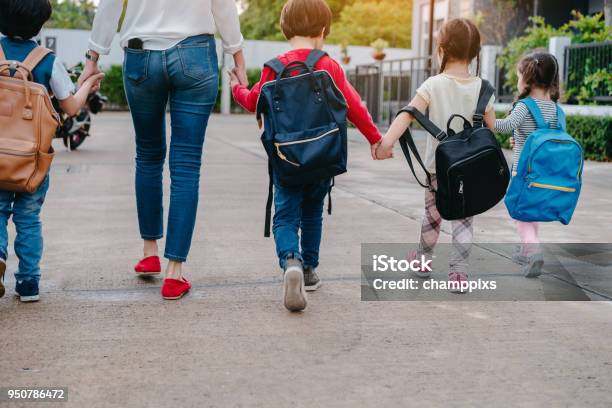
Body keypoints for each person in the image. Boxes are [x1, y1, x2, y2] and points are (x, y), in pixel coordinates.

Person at [79, 0, 246, 300]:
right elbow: (223, 5)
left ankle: (149, 252)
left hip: (141, 54)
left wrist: (93, 58)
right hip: (195, 54)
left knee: (148, 155)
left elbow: (110, 6)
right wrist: (237, 56)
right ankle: (174, 272)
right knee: (186, 164)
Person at [230, 0, 382, 311]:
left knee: (285, 216)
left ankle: (291, 262)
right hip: (323, 158)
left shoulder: (274, 67)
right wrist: (376, 139)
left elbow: (252, 102)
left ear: (285, 29)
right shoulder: (328, 65)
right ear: (323, 30)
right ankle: (309, 270)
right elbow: (355, 107)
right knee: (313, 212)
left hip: (286, 160)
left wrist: (236, 87)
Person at [375, 18, 496, 293]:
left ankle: (422, 262)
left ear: (440, 50)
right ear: (476, 54)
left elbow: (408, 113)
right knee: (464, 218)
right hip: (472, 170)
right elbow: (491, 127)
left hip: (438, 169)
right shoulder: (484, 88)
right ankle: (459, 274)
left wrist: (386, 142)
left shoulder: (433, 84)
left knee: (433, 216)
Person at [0, 0, 104, 302]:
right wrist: (88, 85)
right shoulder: (47, 60)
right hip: (32, 160)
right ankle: (29, 283)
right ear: (40, 24)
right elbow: (71, 107)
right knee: (29, 219)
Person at [494, 51, 562, 277]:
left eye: (518, 76)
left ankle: (534, 251)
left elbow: (504, 126)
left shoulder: (524, 106)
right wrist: (520, 137)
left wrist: (487, 117)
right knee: (531, 212)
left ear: (527, 79)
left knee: (520, 214)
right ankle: (526, 251)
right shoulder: (555, 108)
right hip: (545, 173)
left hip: (523, 172)